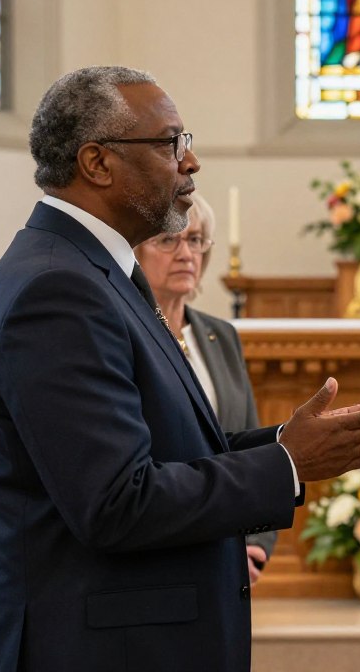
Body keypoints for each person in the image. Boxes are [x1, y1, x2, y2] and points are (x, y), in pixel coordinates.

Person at [0, 65, 360, 672]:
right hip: (100, 649)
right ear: (97, 163)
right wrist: (286, 465)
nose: (191, 162)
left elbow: (164, 452)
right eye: (171, 143)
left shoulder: (96, 272)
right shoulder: (57, 290)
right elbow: (116, 503)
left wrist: (284, 443)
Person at [135, 191, 276, 585]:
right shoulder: (129, 334)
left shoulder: (220, 336)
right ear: (135, 251)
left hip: (230, 554)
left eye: (196, 240)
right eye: (168, 239)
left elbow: (251, 445)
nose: (186, 253)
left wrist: (256, 544)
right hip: (160, 552)